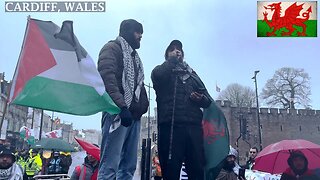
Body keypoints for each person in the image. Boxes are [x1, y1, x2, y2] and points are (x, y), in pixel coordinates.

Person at [151, 40, 212, 180]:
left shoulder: (193, 76)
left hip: (193, 128)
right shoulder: (161, 71)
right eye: (172, 49)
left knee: (197, 170)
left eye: (179, 49)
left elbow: (208, 100)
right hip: (170, 128)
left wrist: (200, 99)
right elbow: (158, 76)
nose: (176, 51)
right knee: (170, 171)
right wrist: (171, 61)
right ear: (167, 55)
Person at [97, 19, 149, 179]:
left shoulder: (135, 58)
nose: (141, 35)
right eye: (137, 31)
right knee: (109, 166)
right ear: (127, 32)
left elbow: (138, 86)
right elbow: (107, 79)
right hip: (117, 114)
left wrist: (143, 106)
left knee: (128, 167)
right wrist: (122, 106)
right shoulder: (111, 49)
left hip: (134, 117)